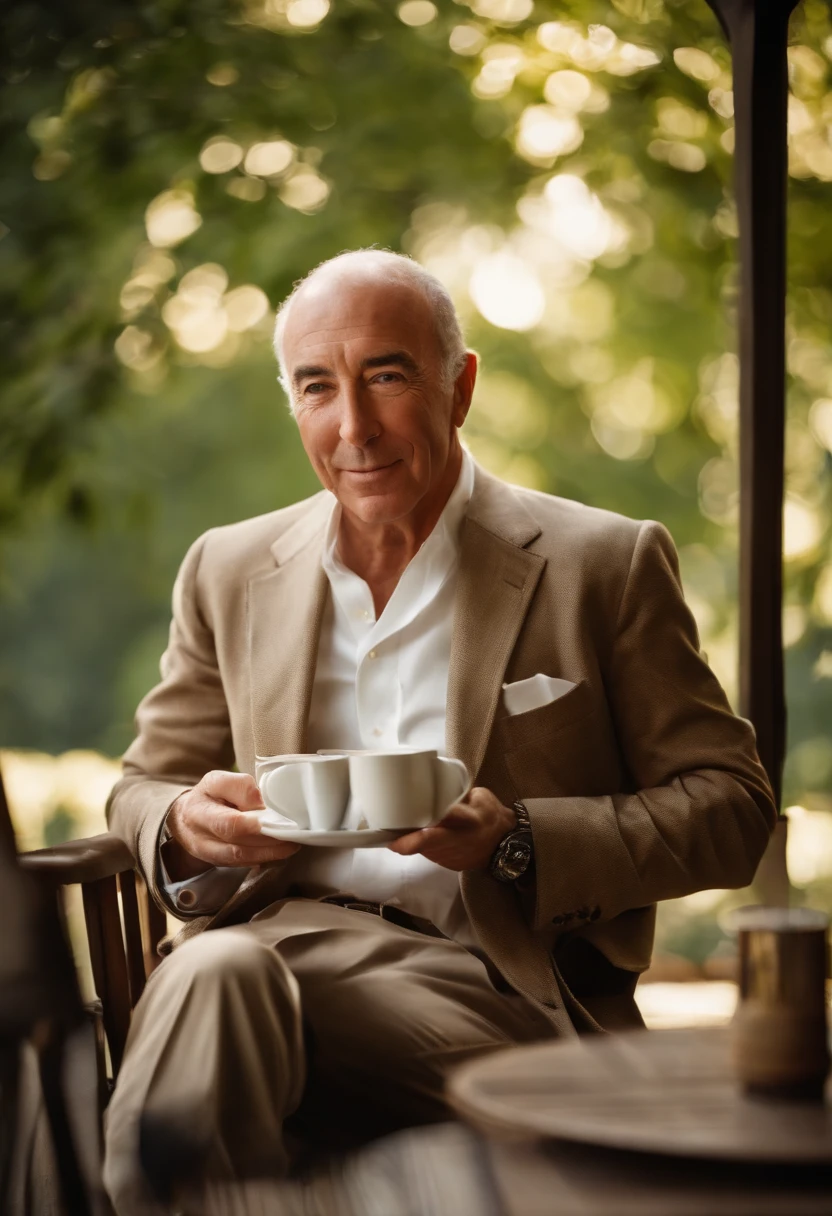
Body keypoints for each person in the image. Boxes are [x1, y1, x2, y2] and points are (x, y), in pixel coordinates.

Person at [103, 249, 775, 1213]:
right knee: (216, 970)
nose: (354, 426)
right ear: (292, 403)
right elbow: (142, 787)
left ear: (459, 388)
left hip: (484, 980)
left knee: (205, 990)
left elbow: (733, 807)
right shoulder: (227, 568)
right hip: (265, 944)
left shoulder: (602, 563)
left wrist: (518, 842)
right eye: (317, 387)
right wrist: (184, 824)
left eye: (387, 375)